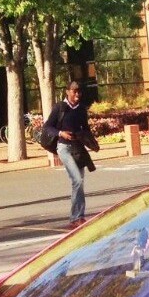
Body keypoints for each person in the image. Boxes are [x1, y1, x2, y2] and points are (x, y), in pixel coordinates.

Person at [43, 81, 94, 228]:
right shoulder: (60, 107)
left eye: (79, 91)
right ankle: (74, 218)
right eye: (74, 91)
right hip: (63, 148)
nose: (77, 94)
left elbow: (85, 128)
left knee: (80, 183)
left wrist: (90, 141)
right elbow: (47, 127)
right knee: (77, 180)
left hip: (78, 148)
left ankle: (79, 216)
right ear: (67, 91)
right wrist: (61, 133)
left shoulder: (81, 109)